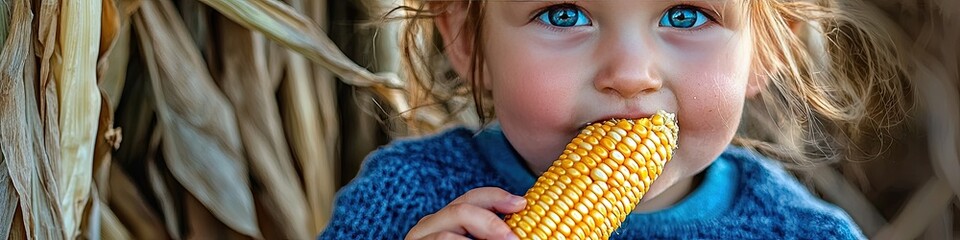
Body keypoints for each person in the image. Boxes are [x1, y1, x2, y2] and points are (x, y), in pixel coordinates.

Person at [320, 0, 912, 239]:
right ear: (468, 41)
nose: (631, 74)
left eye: (684, 15)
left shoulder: (803, 237)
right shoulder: (404, 204)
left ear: (765, 50)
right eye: (564, 13)